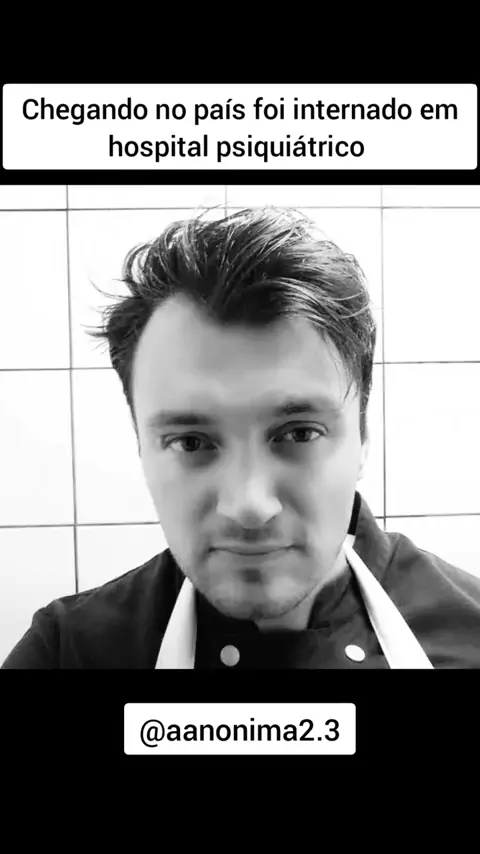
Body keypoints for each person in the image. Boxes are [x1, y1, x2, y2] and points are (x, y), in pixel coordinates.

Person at [3, 207, 480, 670]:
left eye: (299, 434)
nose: (249, 506)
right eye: (191, 442)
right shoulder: (65, 653)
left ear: (363, 436)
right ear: (141, 447)